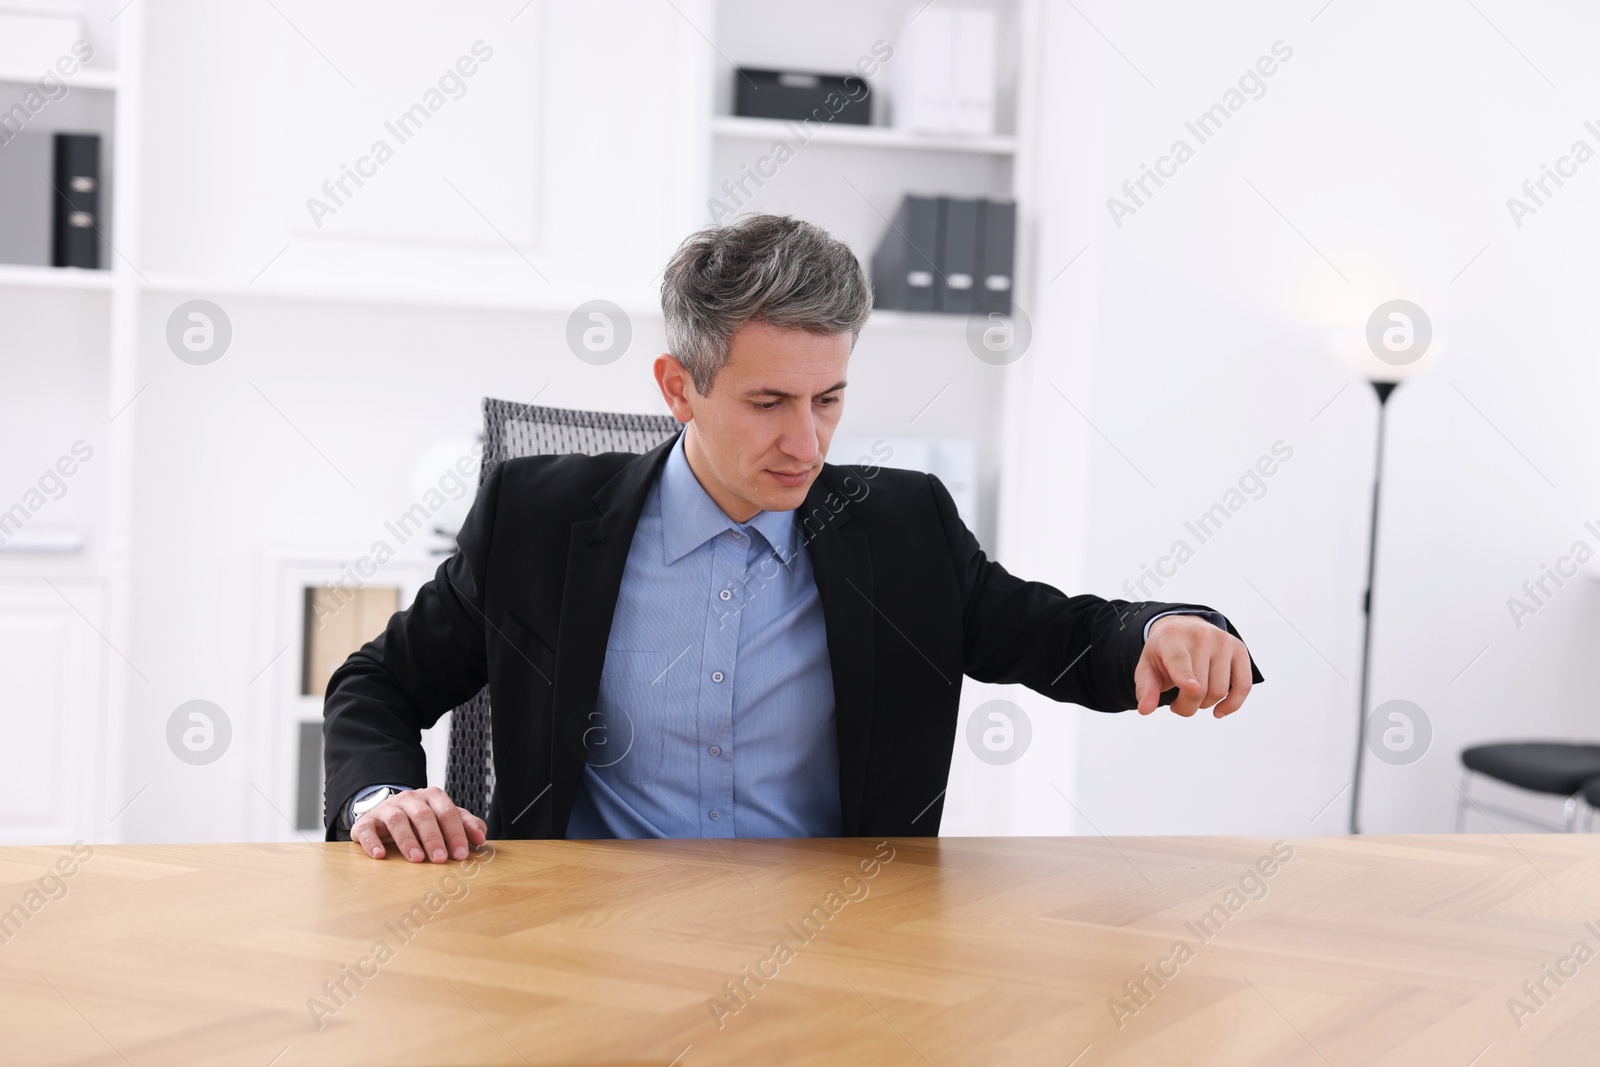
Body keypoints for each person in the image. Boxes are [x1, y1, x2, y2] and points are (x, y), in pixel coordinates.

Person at [322, 214, 1264, 863]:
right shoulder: (536, 517)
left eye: (830, 398)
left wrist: (1161, 629)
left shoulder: (904, 527)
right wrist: (381, 799)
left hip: (840, 947)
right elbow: (377, 682)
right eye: (769, 402)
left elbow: (1058, 636)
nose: (807, 441)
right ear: (677, 387)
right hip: (586, 942)